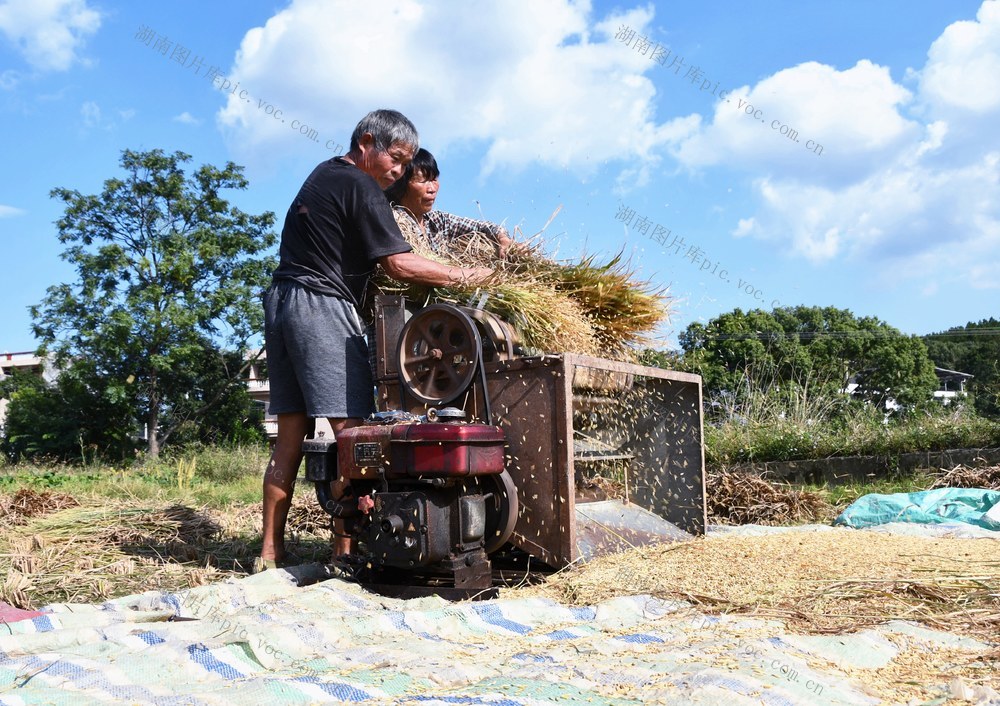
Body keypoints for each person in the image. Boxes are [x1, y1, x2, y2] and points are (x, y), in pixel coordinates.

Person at [258, 110, 491, 573]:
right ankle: (346, 555)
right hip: (321, 303)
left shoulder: (325, 174)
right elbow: (398, 265)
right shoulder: (359, 184)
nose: (400, 171)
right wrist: (464, 274)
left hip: (281, 302)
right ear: (367, 142)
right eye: (397, 158)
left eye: (407, 164)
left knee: (289, 439)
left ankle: (269, 555)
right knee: (355, 438)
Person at [384, 148, 516, 257]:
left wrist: (503, 240)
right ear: (401, 184)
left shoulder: (437, 221)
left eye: (434, 179)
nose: (432, 189)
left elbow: (483, 227)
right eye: (423, 181)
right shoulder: (394, 220)